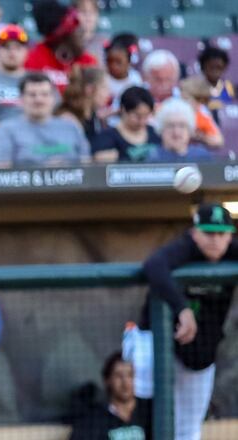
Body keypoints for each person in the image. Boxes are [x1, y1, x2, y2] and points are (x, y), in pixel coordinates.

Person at [125, 203, 238, 440]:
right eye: (209, 233)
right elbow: (153, 265)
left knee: (189, 428)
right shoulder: (185, 248)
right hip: (161, 336)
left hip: (199, 349)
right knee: (145, 373)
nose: (216, 240)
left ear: (230, 236)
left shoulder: (232, 251)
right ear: (195, 233)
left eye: (222, 233)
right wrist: (182, 309)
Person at [0, 72, 91, 167]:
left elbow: (87, 166)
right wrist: (44, 172)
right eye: (32, 95)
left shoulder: (71, 127)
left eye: (44, 94)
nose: (38, 100)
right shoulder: (6, 130)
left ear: (53, 99)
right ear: (21, 99)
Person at [69, 352, 152, 440]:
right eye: (118, 376)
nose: (125, 383)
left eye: (130, 375)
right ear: (107, 380)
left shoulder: (150, 411)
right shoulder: (94, 419)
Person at [24, 0, 98, 94]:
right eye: (74, 29)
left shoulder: (87, 62)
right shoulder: (34, 57)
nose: (79, 33)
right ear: (61, 35)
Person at [92, 86, 161, 163]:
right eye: (137, 116)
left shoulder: (154, 132)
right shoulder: (106, 137)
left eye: (146, 116)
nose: (142, 121)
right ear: (123, 109)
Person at [55, 67, 111, 144]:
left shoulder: (92, 115)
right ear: (89, 89)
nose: (109, 93)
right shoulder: (67, 120)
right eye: (104, 88)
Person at [146, 98, 212, 163]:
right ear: (161, 129)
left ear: (189, 129)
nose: (176, 132)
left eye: (182, 126)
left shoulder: (202, 157)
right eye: (170, 126)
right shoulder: (153, 157)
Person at [179, 77, 224, 149]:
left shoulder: (202, 114)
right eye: (184, 97)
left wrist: (201, 137)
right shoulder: (172, 109)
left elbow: (218, 141)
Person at [104, 34, 143, 107]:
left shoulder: (135, 78)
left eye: (118, 62)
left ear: (129, 62)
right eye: (109, 61)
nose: (113, 66)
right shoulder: (102, 79)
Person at [198, 46, 235, 118]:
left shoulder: (228, 87)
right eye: (211, 67)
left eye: (219, 67)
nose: (215, 72)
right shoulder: (194, 87)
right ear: (203, 67)